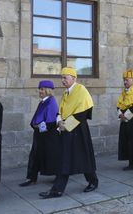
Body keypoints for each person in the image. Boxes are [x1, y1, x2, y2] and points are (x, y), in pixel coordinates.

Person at [39, 67, 98, 199]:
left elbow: (83, 112)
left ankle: (93, 181)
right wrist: (59, 121)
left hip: (78, 130)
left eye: (65, 77)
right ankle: (57, 190)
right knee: (64, 158)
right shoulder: (66, 93)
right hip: (66, 129)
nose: (63, 80)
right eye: (62, 77)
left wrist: (66, 125)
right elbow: (60, 110)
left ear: (74, 78)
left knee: (84, 156)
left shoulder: (81, 90)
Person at [19, 80, 60, 187]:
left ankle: (60, 177)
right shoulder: (42, 102)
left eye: (42, 89)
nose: (40, 91)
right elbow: (36, 118)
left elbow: (51, 122)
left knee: (52, 156)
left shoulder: (51, 102)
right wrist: (34, 125)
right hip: (40, 135)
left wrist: (39, 126)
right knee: (34, 156)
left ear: (47, 90)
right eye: (40, 89)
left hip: (49, 136)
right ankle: (31, 178)